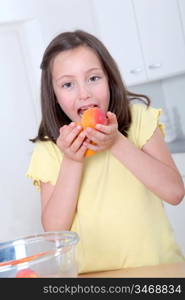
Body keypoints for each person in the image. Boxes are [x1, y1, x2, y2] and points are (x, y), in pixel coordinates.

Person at [26, 30, 185, 274]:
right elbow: (54, 231)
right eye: (68, 84)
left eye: (93, 78)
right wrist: (72, 160)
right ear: (54, 96)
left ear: (109, 79)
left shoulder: (138, 120)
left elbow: (175, 192)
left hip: (158, 269)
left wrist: (116, 142)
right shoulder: (50, 149)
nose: (84, 93)